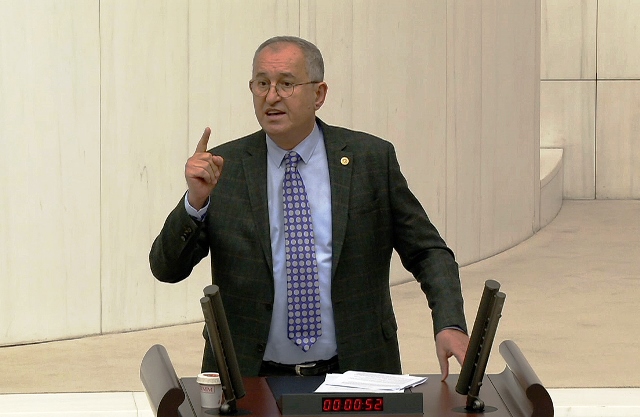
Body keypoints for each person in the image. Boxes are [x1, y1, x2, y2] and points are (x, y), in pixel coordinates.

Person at [149, 36, 469, 380]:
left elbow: (427, 252)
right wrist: (196, 202)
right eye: (262, 84)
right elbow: (167, 268)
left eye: (286, 84)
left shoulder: (370, 160)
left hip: (356, 373)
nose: (272, 96)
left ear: (319, 94)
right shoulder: (224, 168)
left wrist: (449, 323)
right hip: (249, 377)